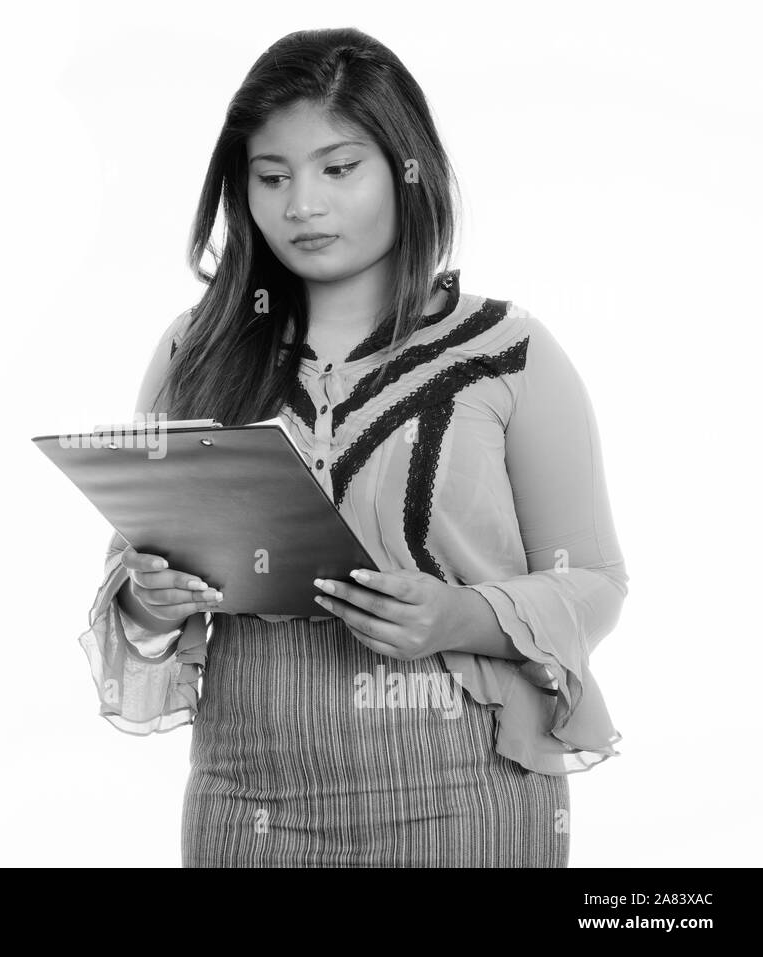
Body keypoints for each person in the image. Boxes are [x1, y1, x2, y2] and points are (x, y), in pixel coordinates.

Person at [75, 27, 628, 867]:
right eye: (272, 176)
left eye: (339, 168)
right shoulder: (198, 351)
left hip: (467, 797)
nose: (302, 204)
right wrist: (155, 595)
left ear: (408, 170)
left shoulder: (508, 352)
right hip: (246, 802)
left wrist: (458, 615)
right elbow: (141, 586)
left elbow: (596, 583)